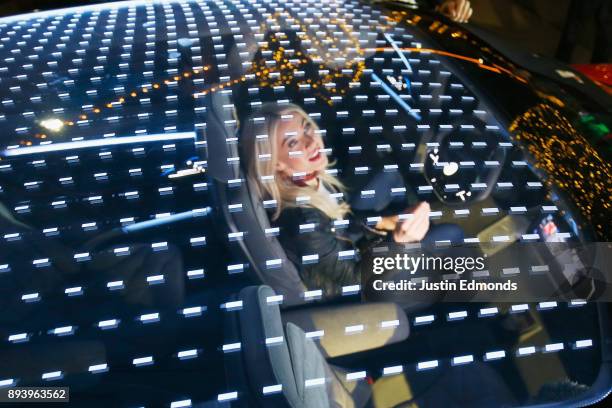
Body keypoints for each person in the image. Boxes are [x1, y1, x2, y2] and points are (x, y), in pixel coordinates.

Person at [240, 103, 463, 296]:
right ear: (276, 163)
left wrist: (383, 222)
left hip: (344, 239)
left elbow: (342, 219)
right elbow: (355, 282)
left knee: (390, 176)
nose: (310, 142)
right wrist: (398, 243)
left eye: (307, 128)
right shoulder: (304, 223)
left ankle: (419, 242)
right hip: (363, 290)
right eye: (292, 143)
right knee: (451, 233)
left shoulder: (308, 175)